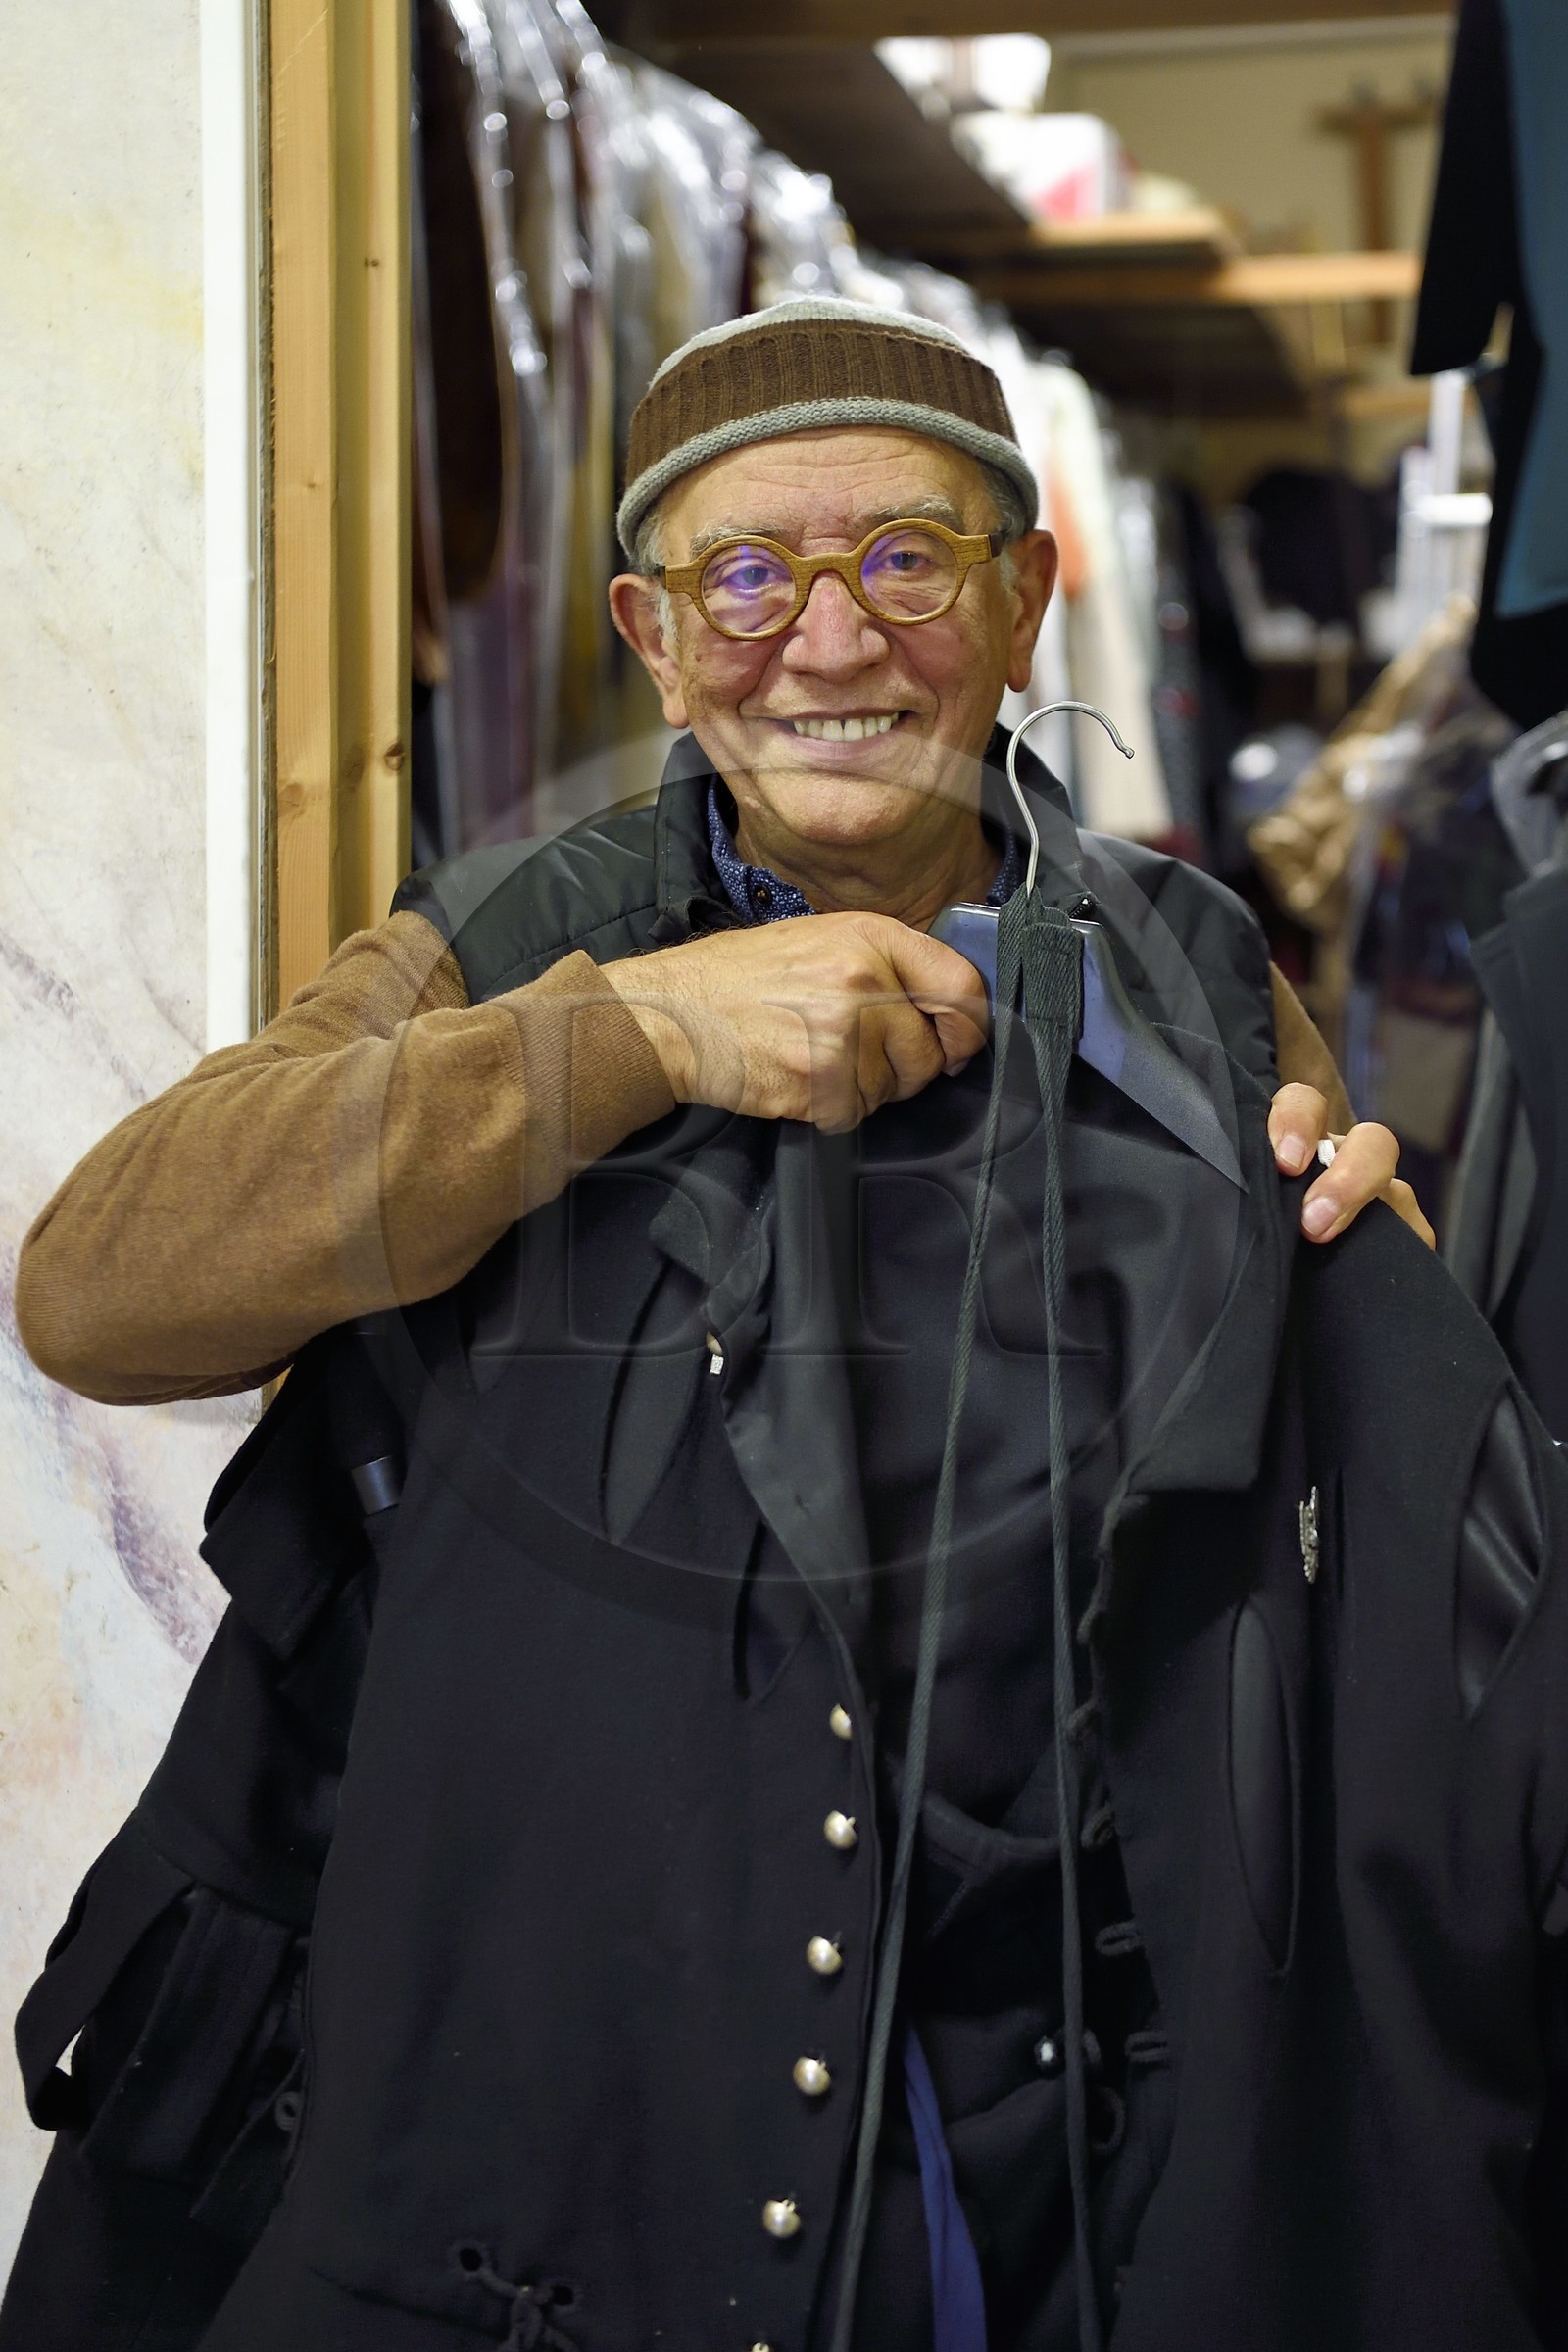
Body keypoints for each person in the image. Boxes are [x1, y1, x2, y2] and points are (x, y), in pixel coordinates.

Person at [19, 305, 1552, 2352]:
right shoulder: (492, 940)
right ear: (654, 639)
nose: (826, 645)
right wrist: (628, 1038)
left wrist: (1355, 1223)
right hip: (579, 2128)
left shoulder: (1183, 973)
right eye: (747, 575)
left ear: (1019, 610)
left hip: (1058, 2140)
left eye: (904, 561)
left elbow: (1334, 1446)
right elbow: (100, 1290)